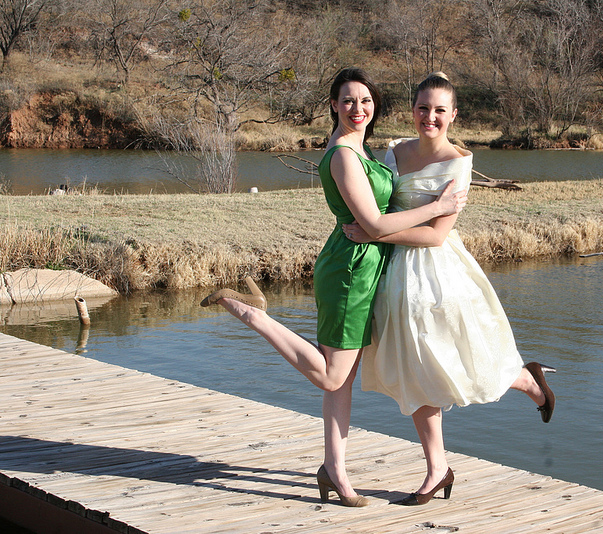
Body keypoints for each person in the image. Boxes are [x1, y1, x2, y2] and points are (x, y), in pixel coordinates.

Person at [199, 67, 466, 507]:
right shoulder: (343, 154)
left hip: (363, 265)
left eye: (365, 100)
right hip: (350, 271)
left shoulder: (361, 146)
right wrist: (436, 207)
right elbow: (373, 224)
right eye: (348, 100)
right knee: (331, 374)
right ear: (333, 105)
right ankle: (253, 313)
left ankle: (334, 470)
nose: (358, 108)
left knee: (341, 382)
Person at [343, 72, 556, 506]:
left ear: (454, 115)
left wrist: (376, 232)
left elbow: (437, 235)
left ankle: (526, 379)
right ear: (413, 110)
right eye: (423, 108)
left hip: (436, 274)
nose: (430, 117)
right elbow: (377, 204)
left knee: (456, 364)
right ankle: (437, 468)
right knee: (416, 370)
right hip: (395, 273)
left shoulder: (458, 162)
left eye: (440, 110)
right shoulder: (394, 152)